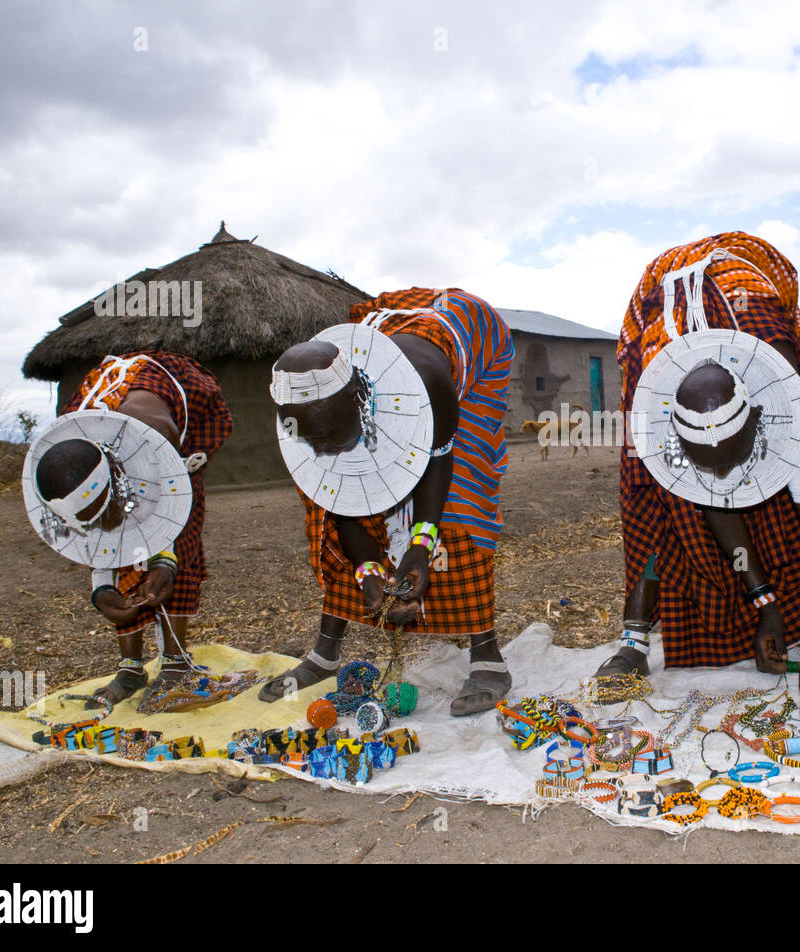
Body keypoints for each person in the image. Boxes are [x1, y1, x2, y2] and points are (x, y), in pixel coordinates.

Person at [603, 231, 800, 723]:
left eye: (731, 458)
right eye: (707, 464)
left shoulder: (787, 403)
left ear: (761, 419)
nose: (724, 476)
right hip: (658, 315)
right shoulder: (660, 395)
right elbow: (710, 495)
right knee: (657, 499)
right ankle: (634, 638)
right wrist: (765, 603)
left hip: (740, 295)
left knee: (776, 505)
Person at [259, 288, 515, 716]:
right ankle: (326, 653)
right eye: (311, 439)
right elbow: (339, 494)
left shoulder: (430, 386)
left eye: (329, 435)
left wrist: (419, 546)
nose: (320, 450)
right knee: (322, 505)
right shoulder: (299, 405)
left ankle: (487, 652)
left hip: (470, 346)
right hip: (386, 339)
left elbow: (437, 460)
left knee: (463, 499)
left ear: (360, 406)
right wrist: (368, 570)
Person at [26, 351, 233, 708]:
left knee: (181, 545)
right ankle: (131, 668)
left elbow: (168, 519)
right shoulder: (66, 461)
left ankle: (176, 662)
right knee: (122, 557)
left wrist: (164, 564)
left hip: (184, 427)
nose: (107, 526)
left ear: (119, 482)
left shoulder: (158, 449)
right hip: (110, 438)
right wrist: (102, 589)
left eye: (107, 512)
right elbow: (97, 540)